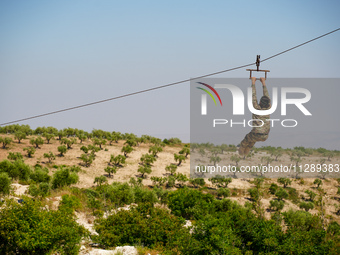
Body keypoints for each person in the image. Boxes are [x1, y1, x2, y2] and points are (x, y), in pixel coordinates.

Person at [238, 77, 271, 158]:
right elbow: (267, 97)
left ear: (260, 102)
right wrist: (263, 83)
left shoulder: (256, 107)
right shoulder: (269, 108)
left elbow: (253, 95)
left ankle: (240, 153)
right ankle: (246, 153)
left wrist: (253, 82)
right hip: (265, 135)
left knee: (246, 140)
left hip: (256, 133)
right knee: (252, 140)